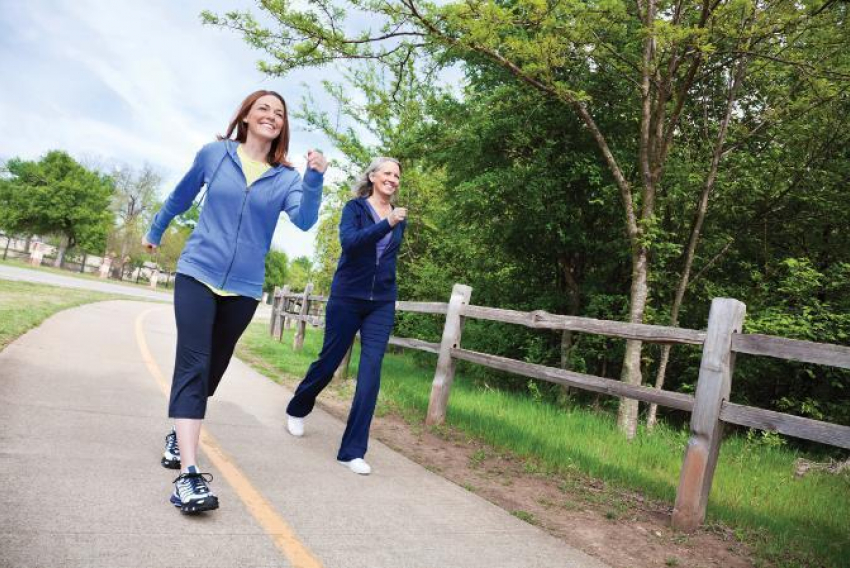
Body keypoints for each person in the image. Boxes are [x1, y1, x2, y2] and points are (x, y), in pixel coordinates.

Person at [142, 90, 327, 513]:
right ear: (245, 115)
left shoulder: (285, 178)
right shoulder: (214, 154)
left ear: (283, 127)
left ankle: (179, 429)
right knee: (193, 362)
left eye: (279, 113)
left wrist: (314, 179)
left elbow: (304, 220)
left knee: (215, 367)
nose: (271, 116)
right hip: (198, 272)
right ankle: (188, 475)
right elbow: (181, 195)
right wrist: (156, 229)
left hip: (243, 287)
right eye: (263, 108)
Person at [285, 157, 406, 475]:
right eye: (388, 173)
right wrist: (387, 224)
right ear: (373, 176)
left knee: (371, 372)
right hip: (347, 298)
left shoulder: (398, 217)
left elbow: (387, 259)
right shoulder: (355, 208)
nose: (393, 179)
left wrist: (389, 287)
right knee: (329, 362)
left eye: (397, 175)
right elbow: (350, 245)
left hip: (381, 302)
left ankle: (352, 451)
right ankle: (298, 406)